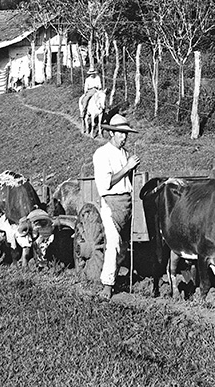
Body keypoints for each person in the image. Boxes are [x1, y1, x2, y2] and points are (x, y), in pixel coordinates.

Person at [92, 114, 140, 300]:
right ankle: (107, 285)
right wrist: (127, 168)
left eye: (126, 134)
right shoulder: (102, 154)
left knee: (123, 246)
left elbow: (126, 179)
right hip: (111, 203)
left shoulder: (125, 153)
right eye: (120, 133)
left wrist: (131, 167)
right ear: (111, 132)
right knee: (112, 244)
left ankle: (116, 277)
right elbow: (106, 184)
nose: (124, 137)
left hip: (126, 203)